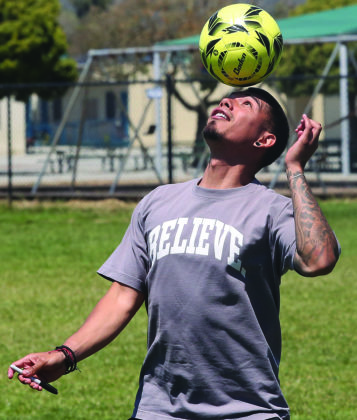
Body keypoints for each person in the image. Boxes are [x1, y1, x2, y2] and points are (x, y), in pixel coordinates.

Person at [8, 87, 340, 420]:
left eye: (245, 104)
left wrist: (295, 167)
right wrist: (64, 355)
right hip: (159, 408)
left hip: (248, 409)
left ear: (265, 140)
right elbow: (123, 296)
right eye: (228, 98)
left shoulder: (272, 209)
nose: (227, 102)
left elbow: (319, 259)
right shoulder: (158, 202)